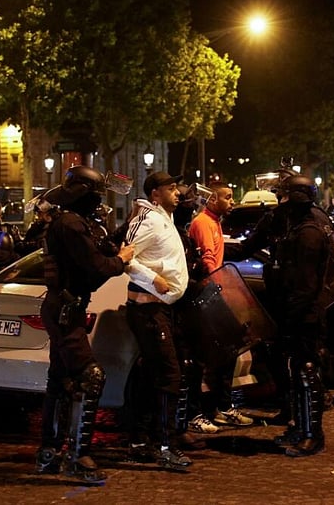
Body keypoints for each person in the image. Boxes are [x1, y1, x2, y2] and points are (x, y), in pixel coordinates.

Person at [34, 166, 134, 484]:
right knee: (90, 377)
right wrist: (122, 260)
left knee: (59, 379)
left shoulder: (71, 223)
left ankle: (49, 452)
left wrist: (117, 242)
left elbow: (96, 251)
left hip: (63, 307)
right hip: (65, 309)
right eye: (95, 196)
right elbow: (95, 267)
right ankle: (77, 457)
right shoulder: (71, 224)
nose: (98, 203)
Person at [264, 174, 334, 456]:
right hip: (298, 311)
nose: (280, 202)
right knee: (297, 372)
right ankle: (300, 428)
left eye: (283, 196)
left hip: (304, 315)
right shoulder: (301, 226)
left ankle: (312, 434)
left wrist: (291, 319)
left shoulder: (308, 233)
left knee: (307, 373)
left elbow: (305, 286)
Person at [123, 171, 193, 470]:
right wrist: (155, 279)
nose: (177, 193)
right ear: (155, 193)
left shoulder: (163, 217)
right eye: (171, 188)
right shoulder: (148, 219)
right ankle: (166, 445)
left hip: (161, 309)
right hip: (149, 310)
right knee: (169, 376)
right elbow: (125, 257)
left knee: (152, 376)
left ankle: (141, 439)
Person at [186, 181, 254, 433]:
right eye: (227, 197)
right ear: (212, 199)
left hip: (215, 293)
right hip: (209, 295)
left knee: (227, 353)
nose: (232, 202)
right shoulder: (203, 223)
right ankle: (210, 409)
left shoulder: (214, 223)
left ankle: (221, 407)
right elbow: (208, 261)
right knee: (210, 356)